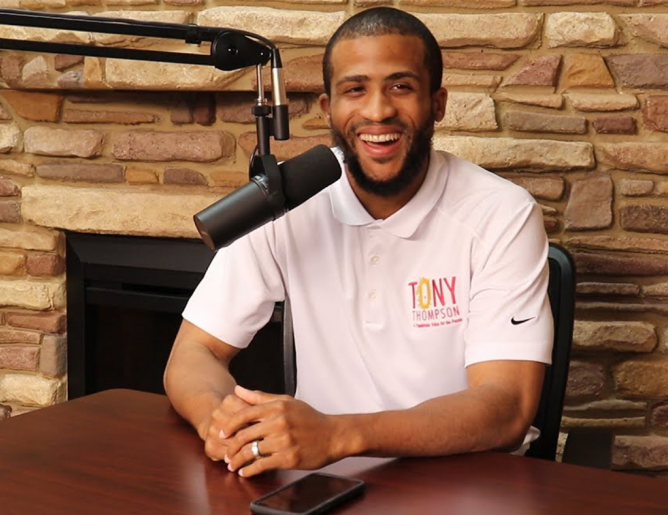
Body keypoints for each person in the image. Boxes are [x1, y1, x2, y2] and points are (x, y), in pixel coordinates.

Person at [163, 7, 553, 478]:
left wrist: (340, 434)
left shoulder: (502, 213)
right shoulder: (289, 199)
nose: (377, 110)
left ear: (438, 103)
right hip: (324, 484)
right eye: (355, 89)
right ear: (329, 109)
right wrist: (224, 423)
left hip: (465, 482)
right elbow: (193, 354)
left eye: (401, 87)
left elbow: (506, 408)